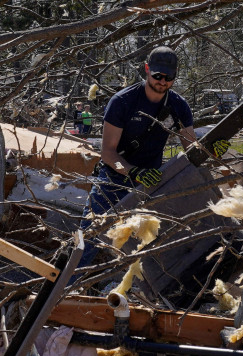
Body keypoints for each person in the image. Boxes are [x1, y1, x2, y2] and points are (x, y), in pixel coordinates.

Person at [79, 46, 197, 265]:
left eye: (168, 77)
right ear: (146, 70)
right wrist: (133, 172)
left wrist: (210, 148)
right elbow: (108, 152)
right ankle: (63, 287)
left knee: (148, 242)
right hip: (113, 178)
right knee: (89, 237)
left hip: (151, 181)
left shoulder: (178, 106)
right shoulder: (123, 101)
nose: (162, 81)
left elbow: (191, 147)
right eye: (157, 75)